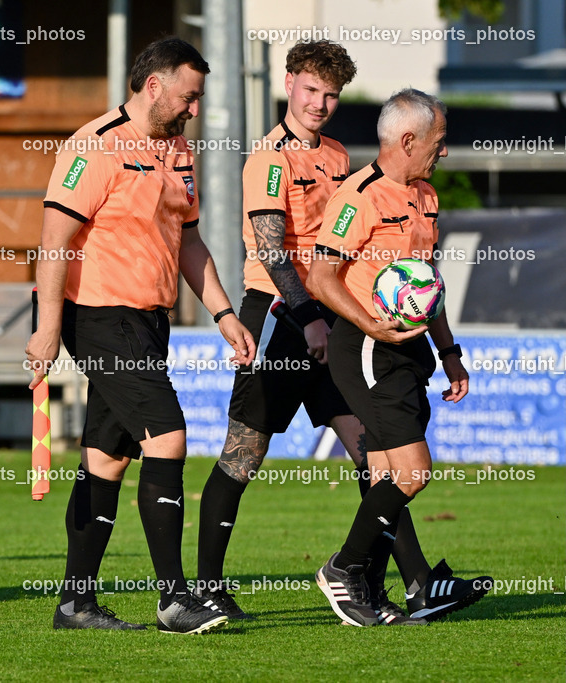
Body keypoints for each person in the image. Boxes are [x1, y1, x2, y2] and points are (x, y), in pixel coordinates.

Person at [196, 42, 485, 625]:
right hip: (278, 317)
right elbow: (275, 253)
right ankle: (204, 587)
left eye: (331, 95)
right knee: (243, 453)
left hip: (337, 320)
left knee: (374, 452)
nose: (320, 104)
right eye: (310, 91)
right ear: (289, 85)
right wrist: (309, 319)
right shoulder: (267, 159)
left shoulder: (337, 155)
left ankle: (414, 583)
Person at [25, 37, 255, 634]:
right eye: (189, 96)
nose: (196, 110)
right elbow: (53, 240)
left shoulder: (178, 151)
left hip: (148, 322)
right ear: (154, 86)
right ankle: (175, 599)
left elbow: (191, 241)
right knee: (168, 434)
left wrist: (225, 314)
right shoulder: (93, 145)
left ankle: (75, 604)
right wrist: (48, 327)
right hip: (98, 316)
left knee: (106, 457)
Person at [307, 89, 490, 626]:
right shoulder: (356, 195)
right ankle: (343, 570)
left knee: (388, 477)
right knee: (412, 473)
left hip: (411, 354)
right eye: (439, 141)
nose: (445, 152)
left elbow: (427, 285)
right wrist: (370, 325)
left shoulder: (426, 197)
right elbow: (320, 278)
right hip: (365, 348)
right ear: (407, 140)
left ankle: (409, 589)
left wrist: (449, 351)